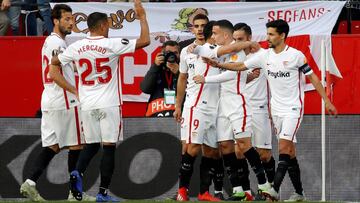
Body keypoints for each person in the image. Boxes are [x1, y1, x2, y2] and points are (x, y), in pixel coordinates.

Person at [203, 19, 338, 201]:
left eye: (271, 34)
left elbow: (313, 78)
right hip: (275, 109)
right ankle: (299, 193)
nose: (268, 38)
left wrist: (327, 101)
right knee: (289, 152)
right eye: (267, 34)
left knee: (283, 146)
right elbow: (240, 66)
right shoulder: (264, 56)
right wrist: (219, 65)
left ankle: (273, 189)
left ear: (282, 36)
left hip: (293, 108)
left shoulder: (296, 56)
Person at [49, 0, 150, 201]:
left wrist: (68, 60)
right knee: (109, 147)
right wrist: (142, 17)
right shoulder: (111, 43)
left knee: (92, 145)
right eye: (108, 26)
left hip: (87, 104)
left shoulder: (76, 47)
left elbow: (54, 62)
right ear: (103, 26)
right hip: (109, 103)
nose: (110, 30)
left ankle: (77, 172)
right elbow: (145, 40)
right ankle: (103, 193)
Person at [19, 4, 94, 201]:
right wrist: (75, 91)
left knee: (53, 145)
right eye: (67, 19)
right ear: (55, 21)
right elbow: (53, 73)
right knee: (77, 145)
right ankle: (75, 194)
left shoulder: (53, 42)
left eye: (72, 19)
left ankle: (30, 182)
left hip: (50, 99)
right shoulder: (57, 44)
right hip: (65, 100)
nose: (71, 23)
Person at [192, 20, 271, 201]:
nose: (212, 36)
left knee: (243, 144)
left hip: (237, 101)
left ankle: (263, 183)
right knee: (225, 146)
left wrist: (207, 78)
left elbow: (233, 73)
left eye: (215, 33)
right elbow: (200, 49)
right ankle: (238, 190)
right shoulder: (219, 50)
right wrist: (192, 49)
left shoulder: (238, 50)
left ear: (225, 36)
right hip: (222, 103)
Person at [174, 16, 223, 202]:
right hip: (195, 105)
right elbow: (182, 78)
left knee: (211, 151)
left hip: (215, 106)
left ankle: (204, 192)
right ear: (192, 29)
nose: (200, 29)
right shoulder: (186, 51)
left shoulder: (218, 50)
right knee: (191, 148)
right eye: (197, 26)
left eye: (204, 26)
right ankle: (182, 191)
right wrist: (178, 105)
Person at [233, 22, 276, 194]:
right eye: (235, 39)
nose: (237, 43)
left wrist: (274, 107)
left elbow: (275, 81)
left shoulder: (264, 55)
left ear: (250, 38)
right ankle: (247, 193)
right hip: (240, 109)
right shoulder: (232, 56)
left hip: (259, 109)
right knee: (239, 152)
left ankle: (271, 191)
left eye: (241, 39)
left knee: (264, 155)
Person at [140, 40, 180, 117]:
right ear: (163, 54)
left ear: (179, 54)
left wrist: (179, 73)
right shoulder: (157, 69)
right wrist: (155, 66)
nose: (172, 55)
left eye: (175, 53)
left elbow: (191, 90)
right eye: (168, 53)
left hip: (177, 116)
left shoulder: (184, 69)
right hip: (156, 115)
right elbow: (145, 89)